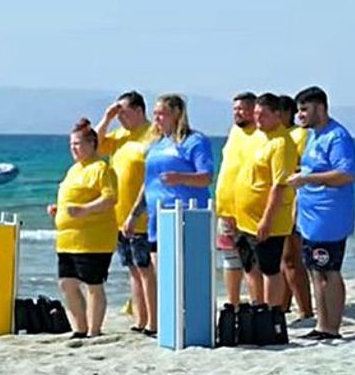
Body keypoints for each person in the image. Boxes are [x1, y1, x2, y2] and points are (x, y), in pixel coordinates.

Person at [125, 94, 214, 337]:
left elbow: (206, 176)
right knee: (162, 273)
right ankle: (167, 322)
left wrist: (181, 178)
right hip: (158, 218)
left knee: (186, 272)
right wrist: (134, 214)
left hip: (186, 215)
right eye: (155, 114)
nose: (157, 118)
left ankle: (191, 321)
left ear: (176, 113)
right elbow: (148, 184)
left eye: (161, 113)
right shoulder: (156, 145)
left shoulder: (194, 141)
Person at [287, 86, 355, 340]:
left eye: (304, 110)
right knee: (315, 270)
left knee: (329, 270)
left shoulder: (337, 137)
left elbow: (345, 174)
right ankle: (322, 324)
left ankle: (332, 327)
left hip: (330, 216)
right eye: (298, 110)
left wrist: (307, 179)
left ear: (320, 108)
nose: (300, 116)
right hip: (310, 216)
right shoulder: (313, 136)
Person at [47, 119, 119, 338]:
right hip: (68, 240)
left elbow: (110, 198)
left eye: (78, 144)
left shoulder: (101, 168)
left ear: (91, 144)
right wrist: (58, 209)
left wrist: (85, 210)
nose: (74, 149)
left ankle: (94, 330)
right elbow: (73, 197)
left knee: (93, 284)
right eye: (71, 144)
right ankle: (80, 327)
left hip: (93, 239)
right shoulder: (73, 170)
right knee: (67, 283)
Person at [94, 91, 159, 334]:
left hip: (141, 215)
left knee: (145, 269)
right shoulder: (120, 136)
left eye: (124, 112)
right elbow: (97, 145)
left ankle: (153, 320)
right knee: (132, 269)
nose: (121, 117)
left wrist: (136, 211)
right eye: (118, 113)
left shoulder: (152, 135)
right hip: (119, 215)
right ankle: (140, 319)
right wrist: (107, 117)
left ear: (139, 110)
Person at [233, 93, 298, 311]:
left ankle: (273, 312)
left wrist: (267, 220)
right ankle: (258, 306)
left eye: (264, 115)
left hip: (268, 221)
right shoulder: (258, 137)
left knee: (270, 268)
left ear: (278, 115)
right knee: (250, 266)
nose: (258, 119)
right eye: (256, 114)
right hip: (244, 219)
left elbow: (279, 186)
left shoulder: (282, 143)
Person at [215, 92, 258, 307]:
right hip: (225, 209)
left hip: (248, 211)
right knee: (229, 259)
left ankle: (257, 304)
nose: (237, 113)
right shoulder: (234, 132)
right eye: (234, 110)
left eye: (241, 109)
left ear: (253, 110)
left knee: (250, 261)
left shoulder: (260, 135)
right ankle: (233, 303)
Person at [278, 93, 314, 321]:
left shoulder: (300, 136)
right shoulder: (277, 136)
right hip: (279, 204)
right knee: (282, 258)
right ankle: (282, 304)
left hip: (295, 202)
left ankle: (305, 309)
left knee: (292, 258)